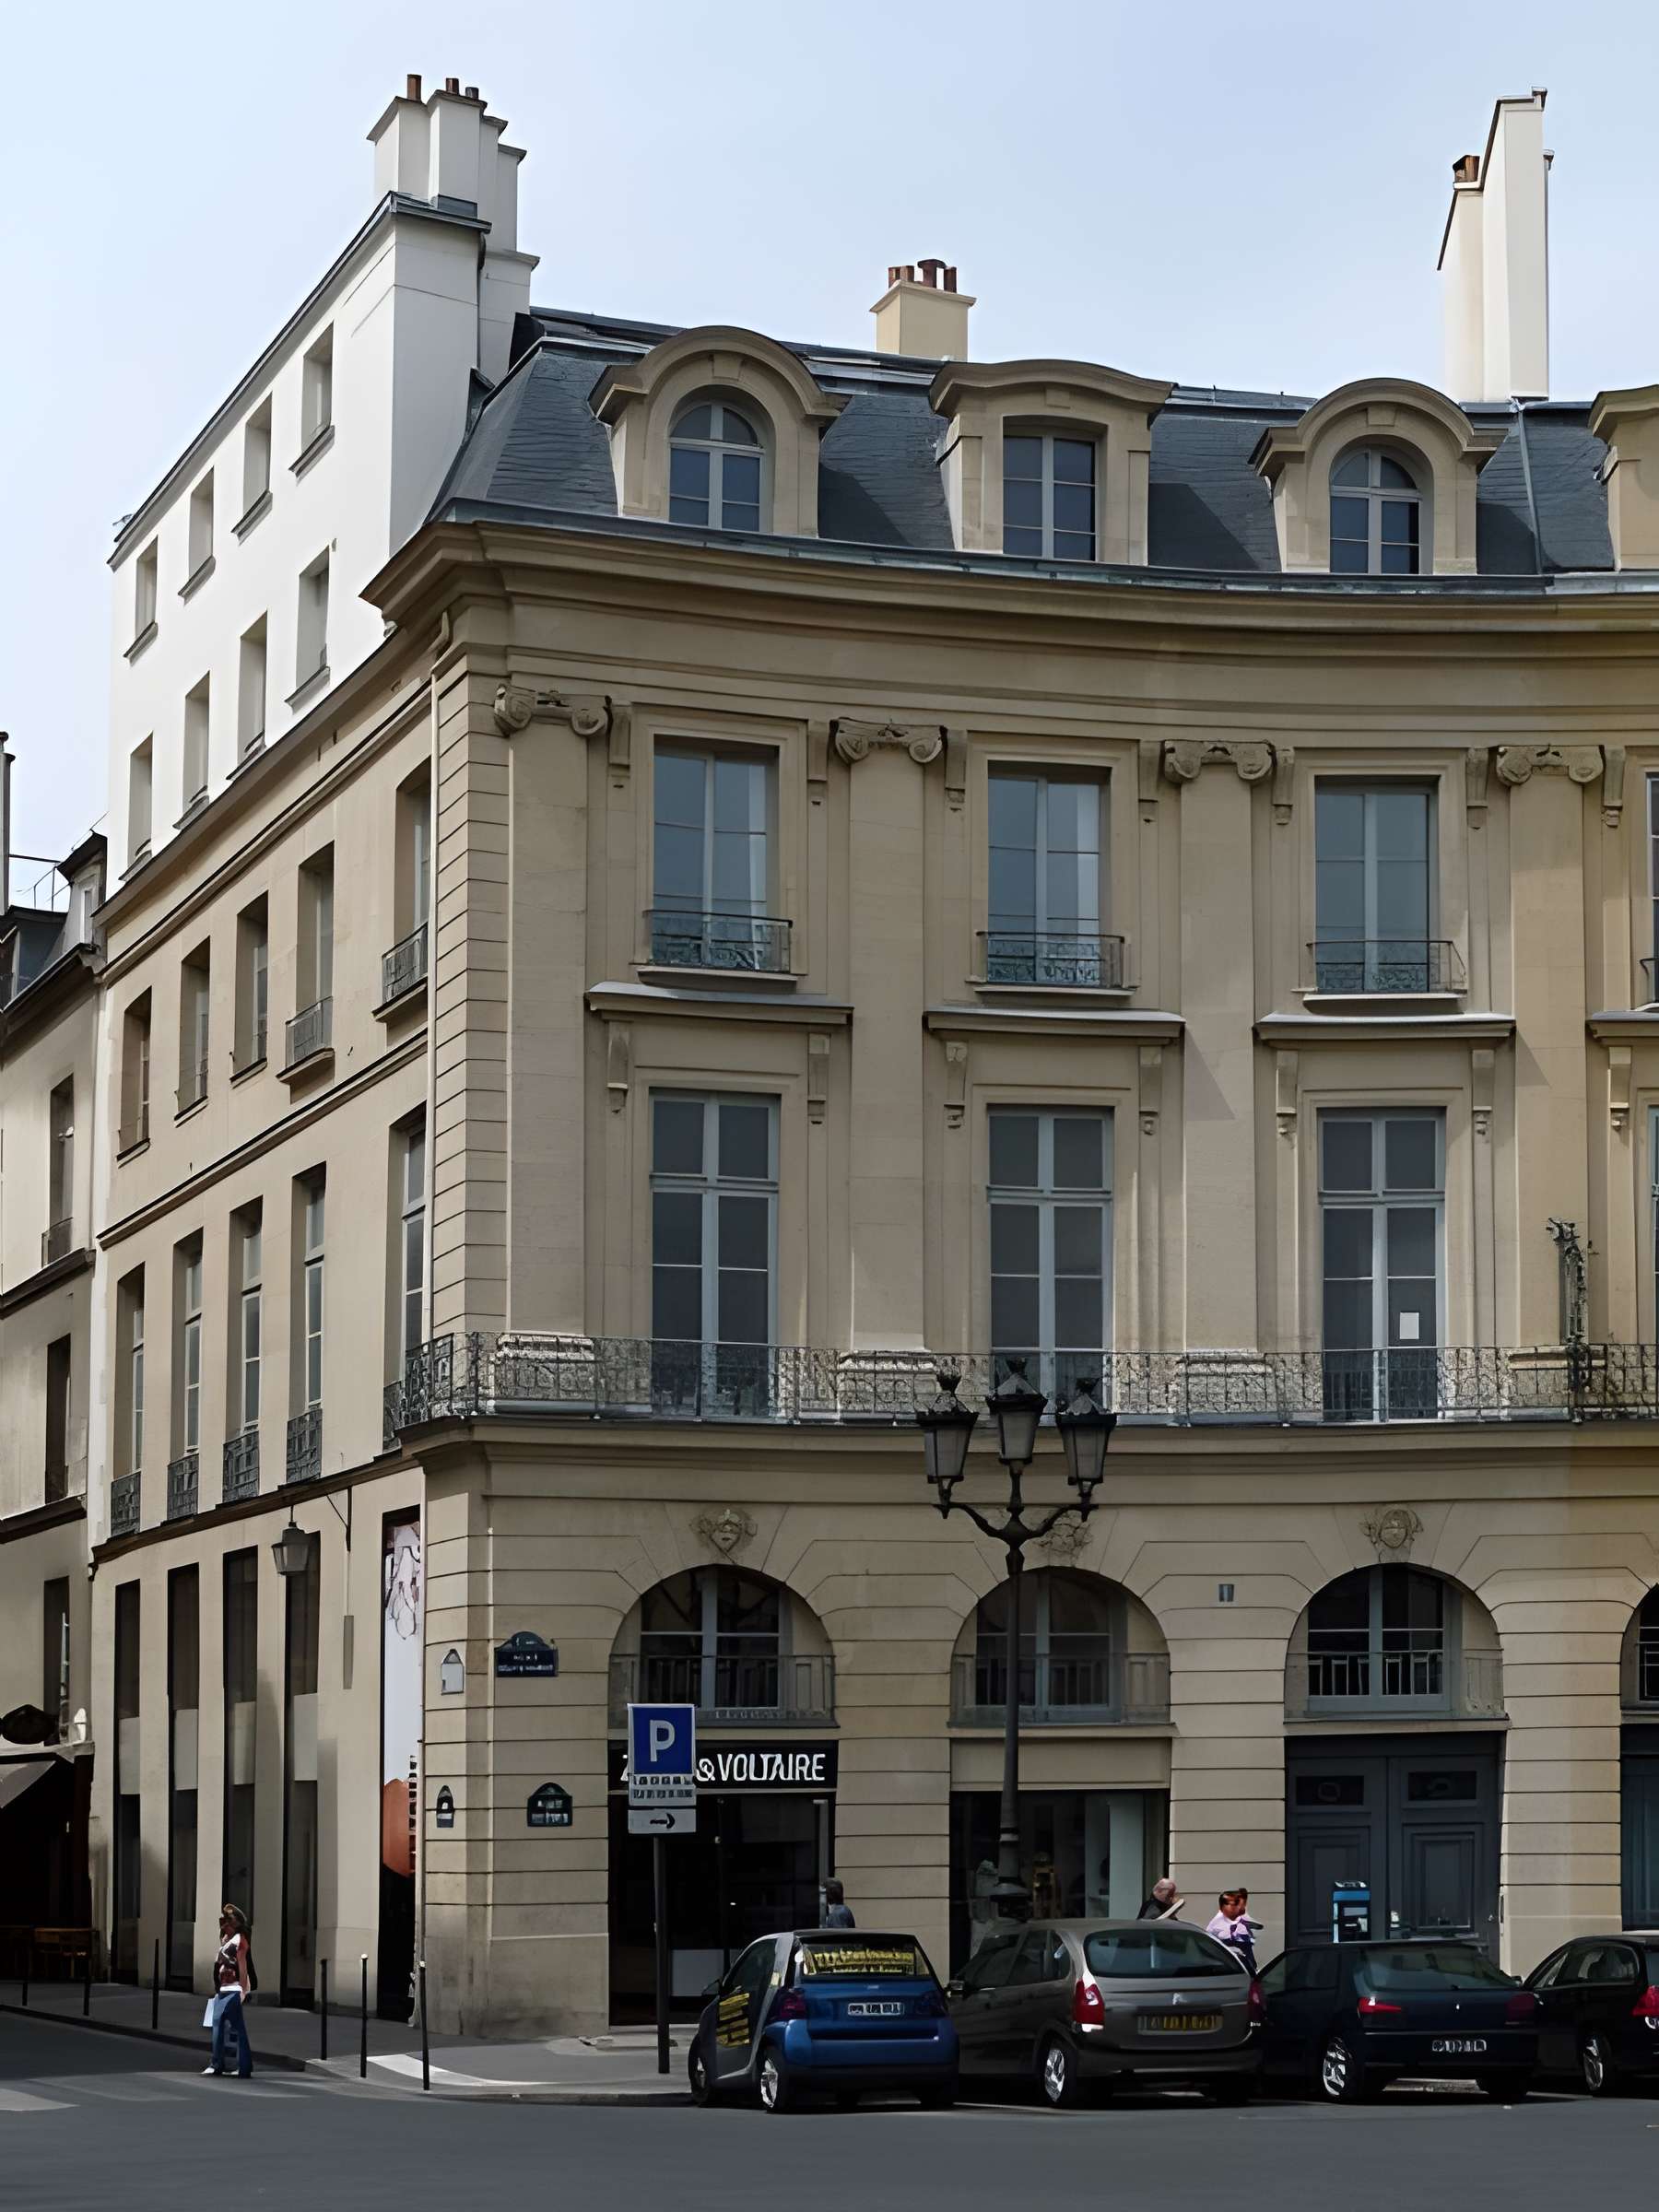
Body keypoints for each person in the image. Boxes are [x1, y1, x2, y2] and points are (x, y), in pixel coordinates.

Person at [205, 1903, 254, 2077]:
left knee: (236, 2029)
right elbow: (218, 1965)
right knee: (218, 2027)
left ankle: (242, 2067)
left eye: (226, 1922)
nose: (223, 1926)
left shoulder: (240, 1940)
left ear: (235, 1924)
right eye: (222, 1922)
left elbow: (243, 1965)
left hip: (233, 1989)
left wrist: (241, 1990)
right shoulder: (227, 1942)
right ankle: (218, 2064)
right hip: (223, 1990)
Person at [1206, 1888, 1263, 1976]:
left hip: (1247, 1958)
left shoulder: (1241, 1916)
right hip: (1230, 1965)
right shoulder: (1217, 1924)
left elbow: (1253, 1924)